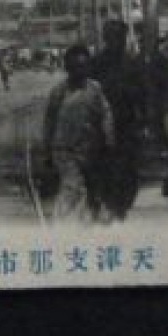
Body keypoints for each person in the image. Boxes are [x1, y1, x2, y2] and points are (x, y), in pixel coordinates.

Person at [42, 44, 115, 224]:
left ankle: (86, 223)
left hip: (91, 149)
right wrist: (47, 151)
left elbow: (106, 114)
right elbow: (49, 122)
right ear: (67, 68)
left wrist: (109, 139)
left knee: (92, 191)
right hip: (65, 150)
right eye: (75, 67)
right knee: (73, 187)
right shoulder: (58, 92)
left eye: (83, 66)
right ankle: (60, 224)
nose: (80, 71)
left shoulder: (95, 89)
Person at [90, 19, 143, 221]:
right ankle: (108, 205)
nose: (116, 42)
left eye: (119, 37)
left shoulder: (132, 64)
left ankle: (121, 206)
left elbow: (143, 94)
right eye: (112, 37)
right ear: (105, 39)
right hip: (100, 126)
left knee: (128, 168)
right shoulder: (95, 64)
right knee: (104, 167)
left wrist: (143, 119)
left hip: (126, 123)